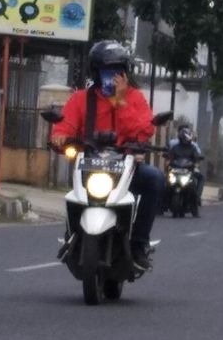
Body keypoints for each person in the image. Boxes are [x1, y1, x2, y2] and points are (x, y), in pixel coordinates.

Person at [51, 40, 165, 272]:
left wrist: (120, 102)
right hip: (89, 164)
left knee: (155, 179)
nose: (112, 76)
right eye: (106, 71)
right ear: (95, 72)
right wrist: (60, 136)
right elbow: (65, 125)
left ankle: (139, 244)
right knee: (72, 196)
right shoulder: (80, 99)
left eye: (117, 71)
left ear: (125, 73)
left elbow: (144, 131)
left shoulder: (134, 98)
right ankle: (71, 236)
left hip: (126, 165)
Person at [167, 125, 205, 209]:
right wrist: (169, 161)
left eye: (186, 138)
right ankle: (162, 207)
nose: (185, 140)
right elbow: (169, 156)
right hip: (175, 171)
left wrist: (196, 162)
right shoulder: (175, 147)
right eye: (184, 138)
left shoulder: (193, 148)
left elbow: (197, 157)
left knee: (193, 188)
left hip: (188, 171)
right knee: (165, 185)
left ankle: (196, 202)